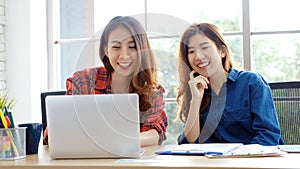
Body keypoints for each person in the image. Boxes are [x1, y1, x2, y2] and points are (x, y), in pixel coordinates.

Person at [44, 16, 168, 147]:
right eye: (116, 46)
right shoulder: (84, 81)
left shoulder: (153, 91)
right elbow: (54, 134)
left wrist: (111, 141)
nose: (125, 55)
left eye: (132, 46)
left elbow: (154, 134)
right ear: (105, 50)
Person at [175, 22, 284, 146]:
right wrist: (195, 100)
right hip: (212, 164)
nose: (198, 56)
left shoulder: (252, 82)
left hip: (252, 162)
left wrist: (238, 159)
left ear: (222, 51)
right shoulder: (195, 90)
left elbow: (268, 136)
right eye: (191, 51)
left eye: (204, 47)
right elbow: (188, 143)